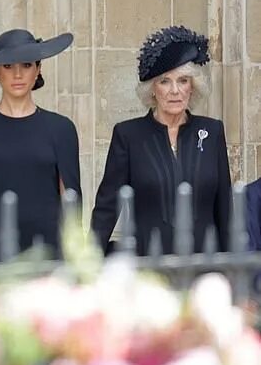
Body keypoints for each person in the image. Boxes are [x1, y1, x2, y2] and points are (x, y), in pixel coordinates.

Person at [91, 26, 232, 255]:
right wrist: (87, 265)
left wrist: (232, 270)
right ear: (152, 89)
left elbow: (225, 209)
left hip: (205, 267)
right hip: (149, 270)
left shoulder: (212, 131)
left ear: (193, 86)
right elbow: (107, 208)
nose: (174, 91)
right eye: (165, 81)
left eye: (183, 80)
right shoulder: (128, 135)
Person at [0, 29, 80, 261]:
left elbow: (69, 199)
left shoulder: (61, 129)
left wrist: (68, 258)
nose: (17, 74)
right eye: (8, 66)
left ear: (38, 69)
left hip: (45, 255)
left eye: (27, 65)